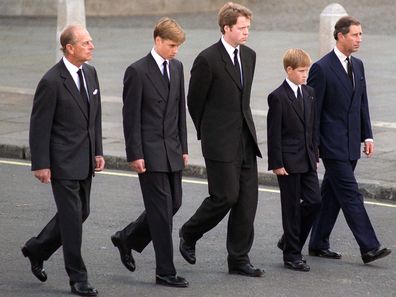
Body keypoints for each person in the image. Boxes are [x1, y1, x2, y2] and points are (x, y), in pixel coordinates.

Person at [179, 2, 263, 277]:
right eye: (242, 28)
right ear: (226, 28)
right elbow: (194, 102)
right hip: (219, 141)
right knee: (225, 196)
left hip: (245, 139)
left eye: (248, 28)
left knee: (247, 202)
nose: (246, 32)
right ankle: (190, 232)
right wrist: (208, 133)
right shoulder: (207, 59)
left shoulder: (249, 56)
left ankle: (238, 259)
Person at [21, 24, 104, 296]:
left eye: (91, 42)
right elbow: (39, 125)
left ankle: (37, 248)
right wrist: (41, 164)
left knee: (82, 212)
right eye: (86, 43)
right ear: (69, 48)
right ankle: (78, 277)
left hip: (85, 158)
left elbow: (95, 119)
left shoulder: (90, 74)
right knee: (71, 219)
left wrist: (98, 151)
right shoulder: (52, 81)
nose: (92, 46)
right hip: (62, 162)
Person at [111, 17, 189, 288]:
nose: (175, 50)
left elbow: (180, 111)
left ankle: (127, 238)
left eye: (178, 46)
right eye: (171, 45)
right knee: (160, 213)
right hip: (150, 152)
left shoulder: (177, 68)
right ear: (157, 41)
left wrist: (184, 148)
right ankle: (165, 272)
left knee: (174, 204)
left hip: (173, 150)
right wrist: (135, 154)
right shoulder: (137, 71)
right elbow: (130, 118)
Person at [307, 16, 391, 264]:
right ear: (340, 36)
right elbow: (314, 112)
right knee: (351, 194)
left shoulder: (359, 65)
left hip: (352, 142)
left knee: (331, 196)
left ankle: (316, 242)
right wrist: (314, 147)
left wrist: (367, 134)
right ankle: (369, 247)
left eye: (361, 34)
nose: (359, 39)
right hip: (331, 146)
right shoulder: (321, 68)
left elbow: (361, 103)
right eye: (355, 35)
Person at [267, 49, 321, 272]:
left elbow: (312, 126)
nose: (305, 75)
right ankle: (292, 255)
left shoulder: (309, 93)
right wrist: (276, 163)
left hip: (307, 158)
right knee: (290, 208)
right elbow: (274, 133)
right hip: (287, 162)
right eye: (301, 71)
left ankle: (289, 241)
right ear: (289, 70)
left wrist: (315, 151)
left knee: (314, 201)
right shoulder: (278, 96)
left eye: (307, 70)